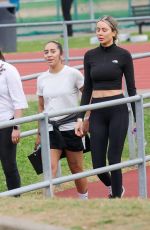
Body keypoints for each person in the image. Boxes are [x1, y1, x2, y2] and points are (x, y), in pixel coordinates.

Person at [75, 16, 137, 198]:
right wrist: (80, 117)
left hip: (117, 110)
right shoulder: (90, 55)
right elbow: (87, 90)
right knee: (98, 164)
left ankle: (116, 197)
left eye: (104, 30)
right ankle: (114, 187)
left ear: (114, 33)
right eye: (97, 29)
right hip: (98, 111)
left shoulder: (123, 55)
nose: (100, 33)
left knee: (114, 158)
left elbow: (132, 89)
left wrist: (136, 118)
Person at [35, 41, 88, 199]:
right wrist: (39, 133)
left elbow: (87, 96)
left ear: (61, 54)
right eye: (46, 52)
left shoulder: (73, 74)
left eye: (52, 51)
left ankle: (84, 199)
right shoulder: (42, 78)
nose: (49, 55)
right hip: (51, 129)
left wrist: (85, 119)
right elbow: (40, 107)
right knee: (50, 168)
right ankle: (49, 203)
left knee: (76, 168)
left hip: (71, 127)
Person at [0, 50, 28, 191]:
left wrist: (16, 127)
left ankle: (15, 199)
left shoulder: (8, 70)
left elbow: (19, 101)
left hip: (6, 123)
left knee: (8, 165)